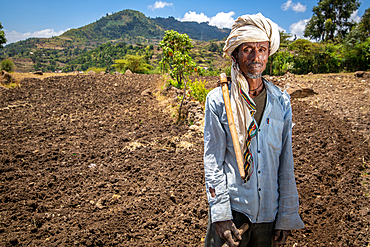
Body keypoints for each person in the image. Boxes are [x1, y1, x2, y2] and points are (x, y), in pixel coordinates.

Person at [203, 13, 304, 247]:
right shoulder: (219, 100)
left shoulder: (281, 101)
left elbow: (285, 161)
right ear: (236, 54)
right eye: (247, 49)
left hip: (269, 215)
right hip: (233, 212)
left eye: (262, 49)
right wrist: (221, 215)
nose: (255, 57)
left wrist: (286, 215)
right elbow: (213, 160)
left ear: (268, 54)